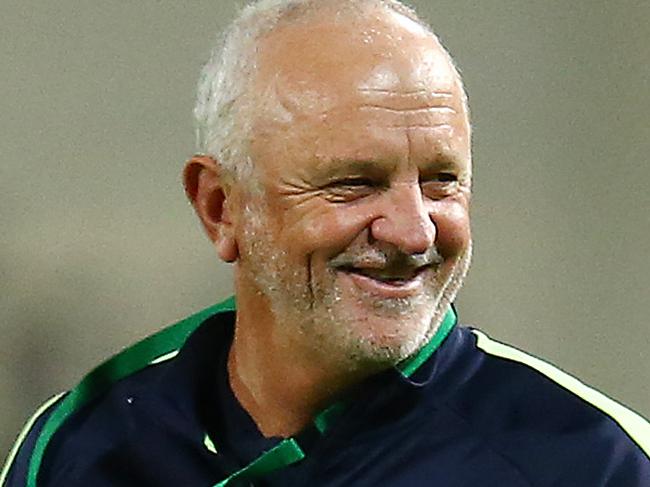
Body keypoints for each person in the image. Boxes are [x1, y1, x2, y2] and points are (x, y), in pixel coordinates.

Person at [3, 0, 649, 485]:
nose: (414, 229)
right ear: (221, 206)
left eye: (441, 182)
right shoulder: (80, 446)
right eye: (355, 183)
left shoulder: (595, 463)